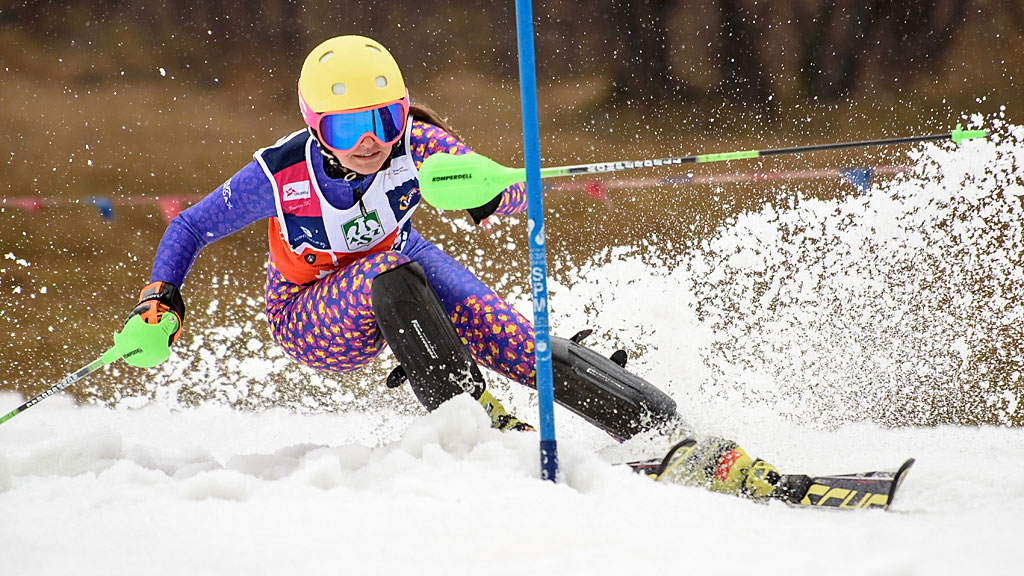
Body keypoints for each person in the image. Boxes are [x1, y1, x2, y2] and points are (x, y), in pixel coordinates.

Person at [120, 35, 793, 502]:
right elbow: (190, 224)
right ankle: (473, 417)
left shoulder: (417, 144)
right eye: (350, 128)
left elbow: (505, 196)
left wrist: (496, 188)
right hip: (311, 316)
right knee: (391, 264)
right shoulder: (279, 173)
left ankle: (663, 429)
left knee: (515, 336)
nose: (374, 142)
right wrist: (161, 299)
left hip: (403, 270)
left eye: (384, 119)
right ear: (315, 126)